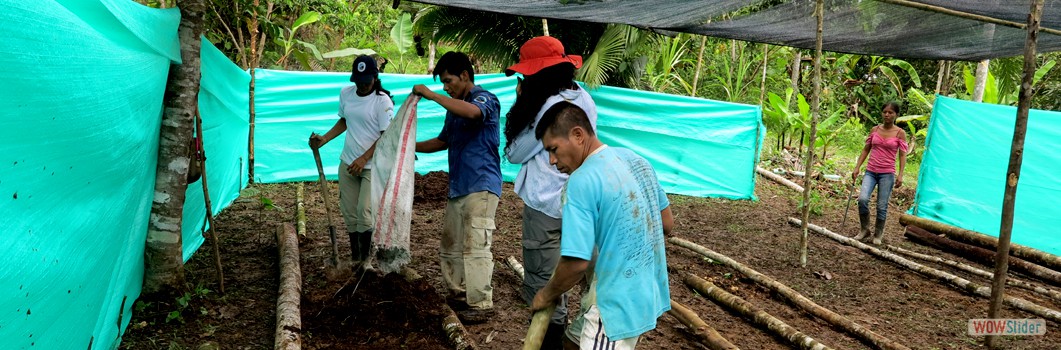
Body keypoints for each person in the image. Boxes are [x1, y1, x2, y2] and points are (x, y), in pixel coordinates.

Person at [530, 102, 673, 350]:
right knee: (572, 342)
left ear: (577, 135)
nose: (552, 161)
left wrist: (545, 294)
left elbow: (575, 264)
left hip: (614, 306)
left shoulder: (581, 181)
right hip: (647, 291)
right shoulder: (635, 159)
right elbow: (667, 223)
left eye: (553, 149)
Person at [503, 36, 597, 349]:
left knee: (545, 288)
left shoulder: (545, 107)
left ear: (539, 75)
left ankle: (548, 341)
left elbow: (515, 153)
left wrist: (521, 103)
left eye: (527, 76)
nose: (525, 81)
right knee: (575, 274)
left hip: (545, 207)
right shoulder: (583, 97)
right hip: (581, 202)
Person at [412, 51, 502, 324]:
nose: (445, 87)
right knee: (451, 244)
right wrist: (408, 147)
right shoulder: (454, 109)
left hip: (482, 185)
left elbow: (474, 114)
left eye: (448, 80)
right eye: (442, 83)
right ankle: (457, 296)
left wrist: (433, 96)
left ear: (465, 75)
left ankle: (480, 303)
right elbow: (442, 141)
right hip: (458, 185)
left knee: (476, 245)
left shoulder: (485, 99)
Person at [309, 55, 394, 271]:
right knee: (350, 213)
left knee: (365, 213)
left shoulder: (382, 101)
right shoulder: (346, 94)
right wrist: (325, 139)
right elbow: (345, 120)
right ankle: (356, 260)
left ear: (375, 77)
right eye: (358, 80)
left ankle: (366, 262)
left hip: (372, 166)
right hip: (348, 162)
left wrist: (364, 157)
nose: (362, 85)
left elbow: (386, 136)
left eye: (366, 80)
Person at [850, 101, 908, 245]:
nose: (887, 115)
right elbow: (866, 149)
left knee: (882, 205)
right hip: (870, 171)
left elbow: (902, 155)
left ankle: (878, 233)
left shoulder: (900, 133)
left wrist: (900, 174)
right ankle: (864, 230)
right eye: (885, 112)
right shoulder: (874, 130)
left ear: (896, 115)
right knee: (863, 199)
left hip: (887, 174)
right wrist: (857, 167)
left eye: (891, 112)